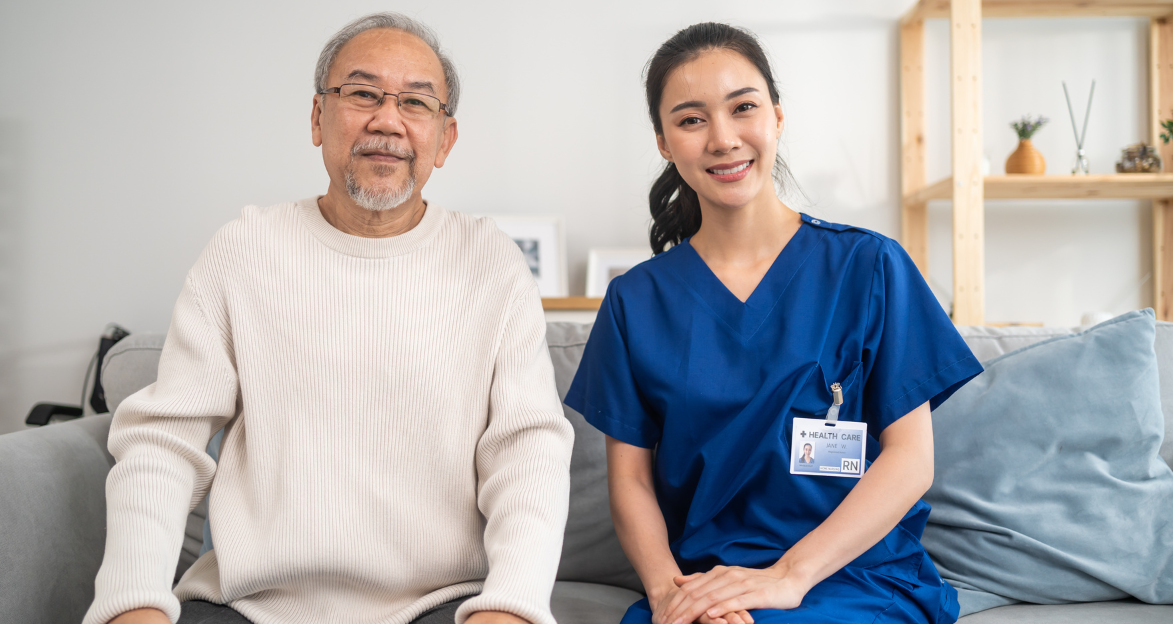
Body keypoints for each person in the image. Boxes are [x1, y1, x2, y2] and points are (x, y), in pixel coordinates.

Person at [84, 13, 574, 624]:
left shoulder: (490, 261)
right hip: (250, 603)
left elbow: (528, 452)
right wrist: (132, 603)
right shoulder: (244, 249)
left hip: (440, 602)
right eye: (362, 93)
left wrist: (513, 606)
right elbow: (163, 444)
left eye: (416, 103)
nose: (387, 121)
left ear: (445, 139)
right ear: (318, 118)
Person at [564, 22, 983, 624]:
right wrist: (668, 594)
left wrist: (789, 576)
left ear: (777, 119)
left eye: (743, 108)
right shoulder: (636, 301)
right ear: (663, 142)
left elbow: (911, 461)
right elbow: (629, 481)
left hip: (852, 575)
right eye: (691, 119)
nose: (723, 138)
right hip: (710, 587)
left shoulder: (869, 267)